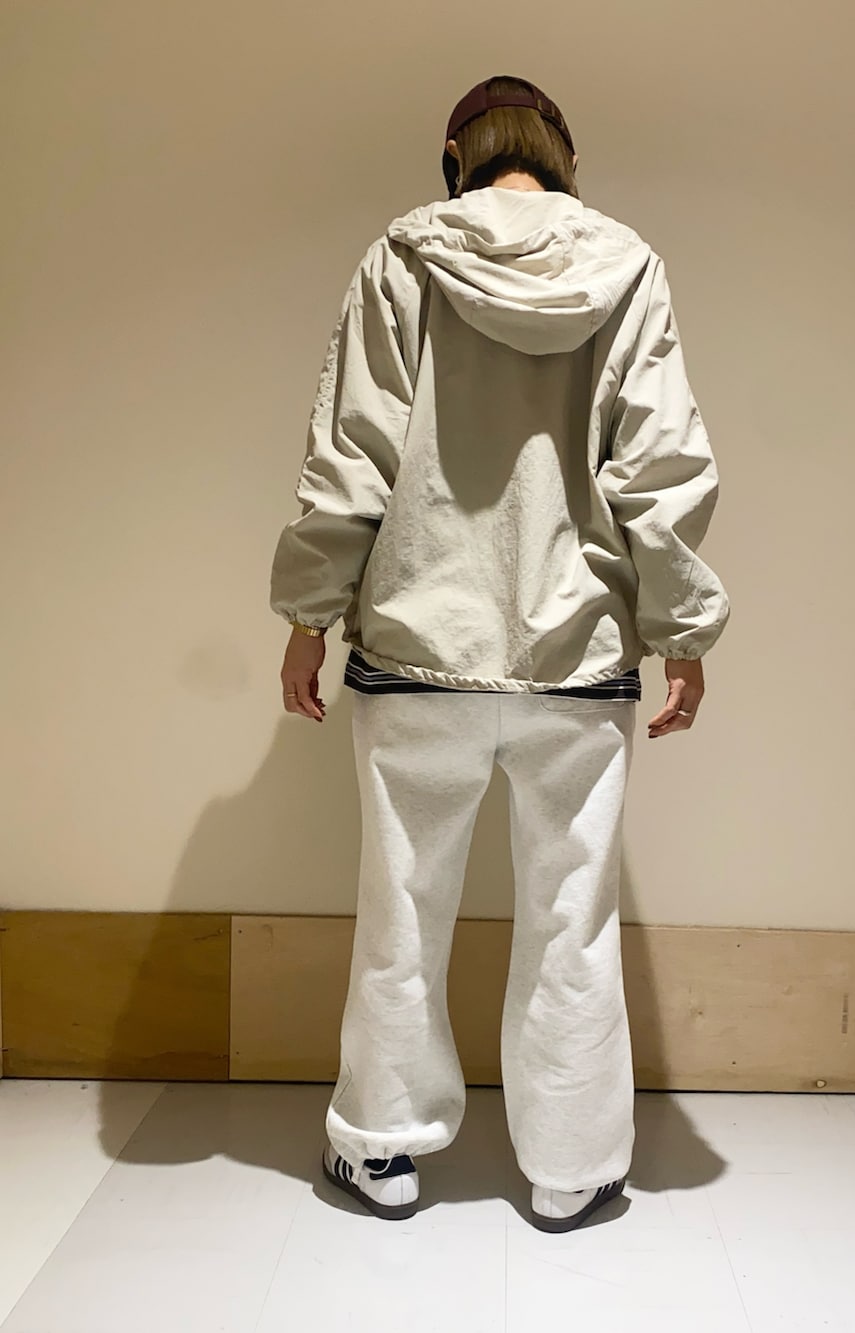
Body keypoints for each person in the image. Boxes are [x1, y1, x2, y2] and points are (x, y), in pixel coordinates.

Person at [269, 74, 730, 1232]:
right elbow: (660, 470)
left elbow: (352, 455)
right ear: (563, 158)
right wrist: (682, 632)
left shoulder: (402, 257)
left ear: (453, 151)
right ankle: (572, 1167)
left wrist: (307, 616)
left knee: (401, 905)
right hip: (577, 658)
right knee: (573, 917)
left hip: (415, 651)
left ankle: (379, 1147)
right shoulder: (626, 266)